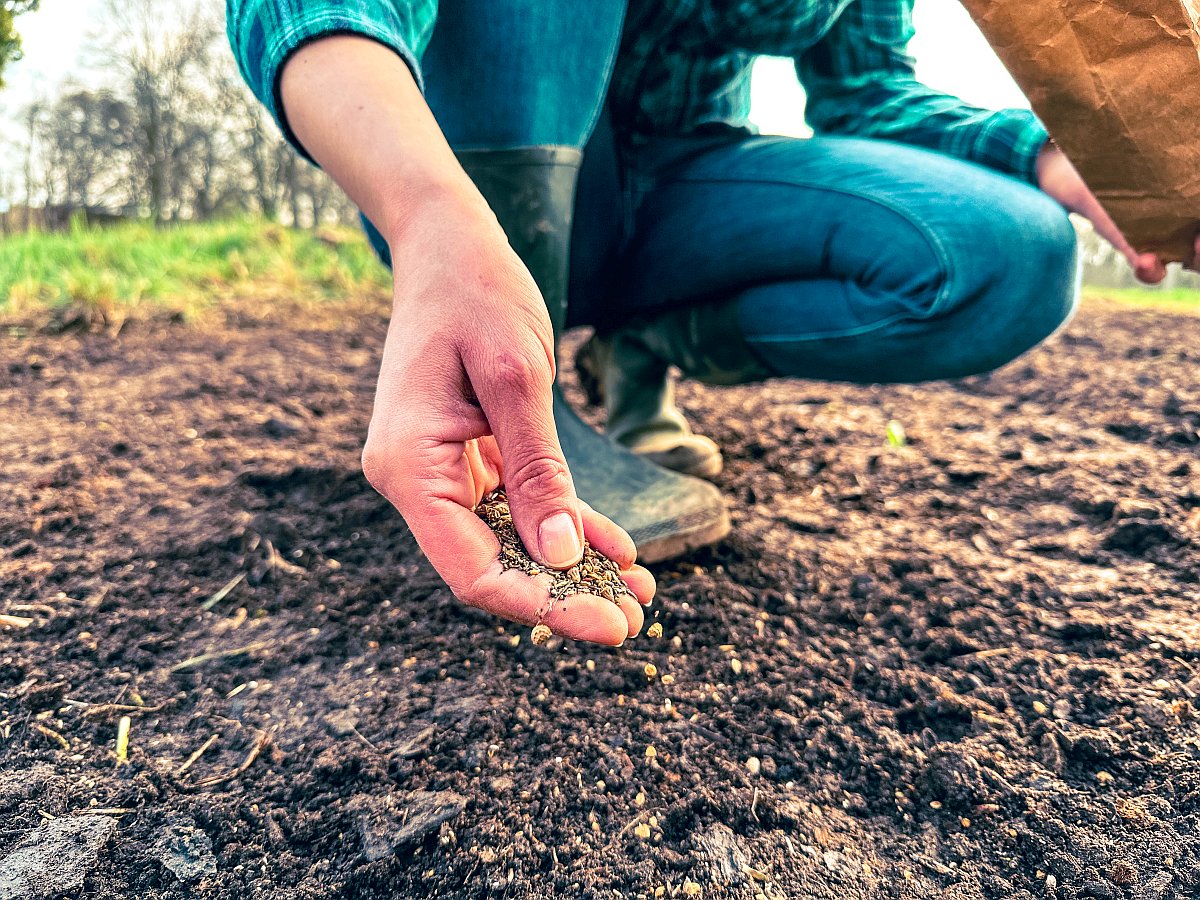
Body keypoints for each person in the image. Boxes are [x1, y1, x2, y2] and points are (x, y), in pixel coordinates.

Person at [226, 0, 1196, 647]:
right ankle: (518, 396)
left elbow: (869, 92)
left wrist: (1046, 158)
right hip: (466, 180)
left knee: (1014, 255)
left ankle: (646, 345)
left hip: (687, 181)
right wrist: (429, 213)